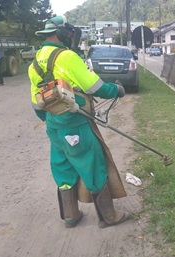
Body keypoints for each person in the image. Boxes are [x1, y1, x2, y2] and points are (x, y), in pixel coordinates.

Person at [28, 15, 130, 228]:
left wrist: (51, 120)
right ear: (61, 33)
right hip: (76, 122)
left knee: (62, 166)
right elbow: (95, 87)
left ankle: (70, 216)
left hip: (54, 127)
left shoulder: (35, 62)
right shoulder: (67, 57)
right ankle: (109, 217)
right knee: (92, 164)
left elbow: (37, 104)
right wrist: (116, 90)